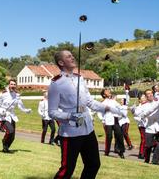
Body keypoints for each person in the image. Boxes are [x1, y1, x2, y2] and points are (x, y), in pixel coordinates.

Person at [48, 50, 122, 179]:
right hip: (70, 133)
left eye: (72, 55)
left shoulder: (80, 78)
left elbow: (89, 101)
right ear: (61, 62)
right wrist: (69, 116)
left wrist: (108, 108)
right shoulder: (56, 84)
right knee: (67, 170)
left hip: (88, 129)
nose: (73, 57)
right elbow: (52, 112)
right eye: (68, 56)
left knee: (93, 164)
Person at [0, 79, 32, 152]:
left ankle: (6, 148)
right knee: (10, 131)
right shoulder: (3, 94)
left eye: (14, 84)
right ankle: (4, 142)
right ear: (9, 85)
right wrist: (1, 111)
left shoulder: (17, 95)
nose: (13, 86)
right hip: (3, 116)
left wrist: (26, 110)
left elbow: (20, 106)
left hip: (12, 115)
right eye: (11, 84)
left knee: (13, 136)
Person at [132, 89, 159, 165]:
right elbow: (136, 113)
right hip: (149, 127)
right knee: (148, 145)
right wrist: (133, 109)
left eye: (150, 93)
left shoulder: (158, 103)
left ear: (152, 94)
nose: (149, 95)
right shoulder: (144, 106)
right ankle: (147, 160)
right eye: (147, 94)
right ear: (146, 96)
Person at [98, 89, 125, 158]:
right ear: (104, 95)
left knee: (119, 135)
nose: (109, 92)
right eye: (107, 91)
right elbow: (99, 113)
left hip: (115, 120)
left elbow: (120, 107)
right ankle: (107, 152)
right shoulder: (103, 103)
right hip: (107, 121)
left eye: (109, 91)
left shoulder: (113, 101)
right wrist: (103, 120)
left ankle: (121, 151)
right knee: (109, 136)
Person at [135, 94, 148, 160]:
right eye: (143, 98)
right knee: (143, 139)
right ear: (139, 100)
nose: (144, 99)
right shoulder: (138, 107)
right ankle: (141, 153)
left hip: (148, 125)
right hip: (141, 125)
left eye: (145, 97)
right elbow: (136, 117)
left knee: (147, 139)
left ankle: (145, 152)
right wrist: (141, 118)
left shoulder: (147, 105)